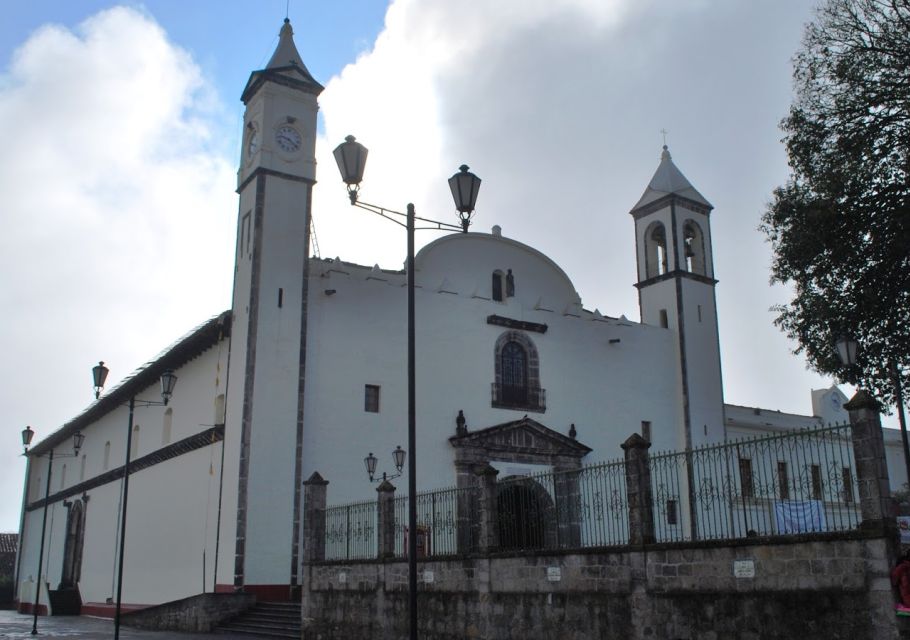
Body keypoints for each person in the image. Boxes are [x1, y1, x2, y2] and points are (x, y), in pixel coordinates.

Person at [891, 550, 910, 615]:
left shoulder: (902, 567)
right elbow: (894, 581)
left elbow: (894, 581)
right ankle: (903, 610)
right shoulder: (902, 567)